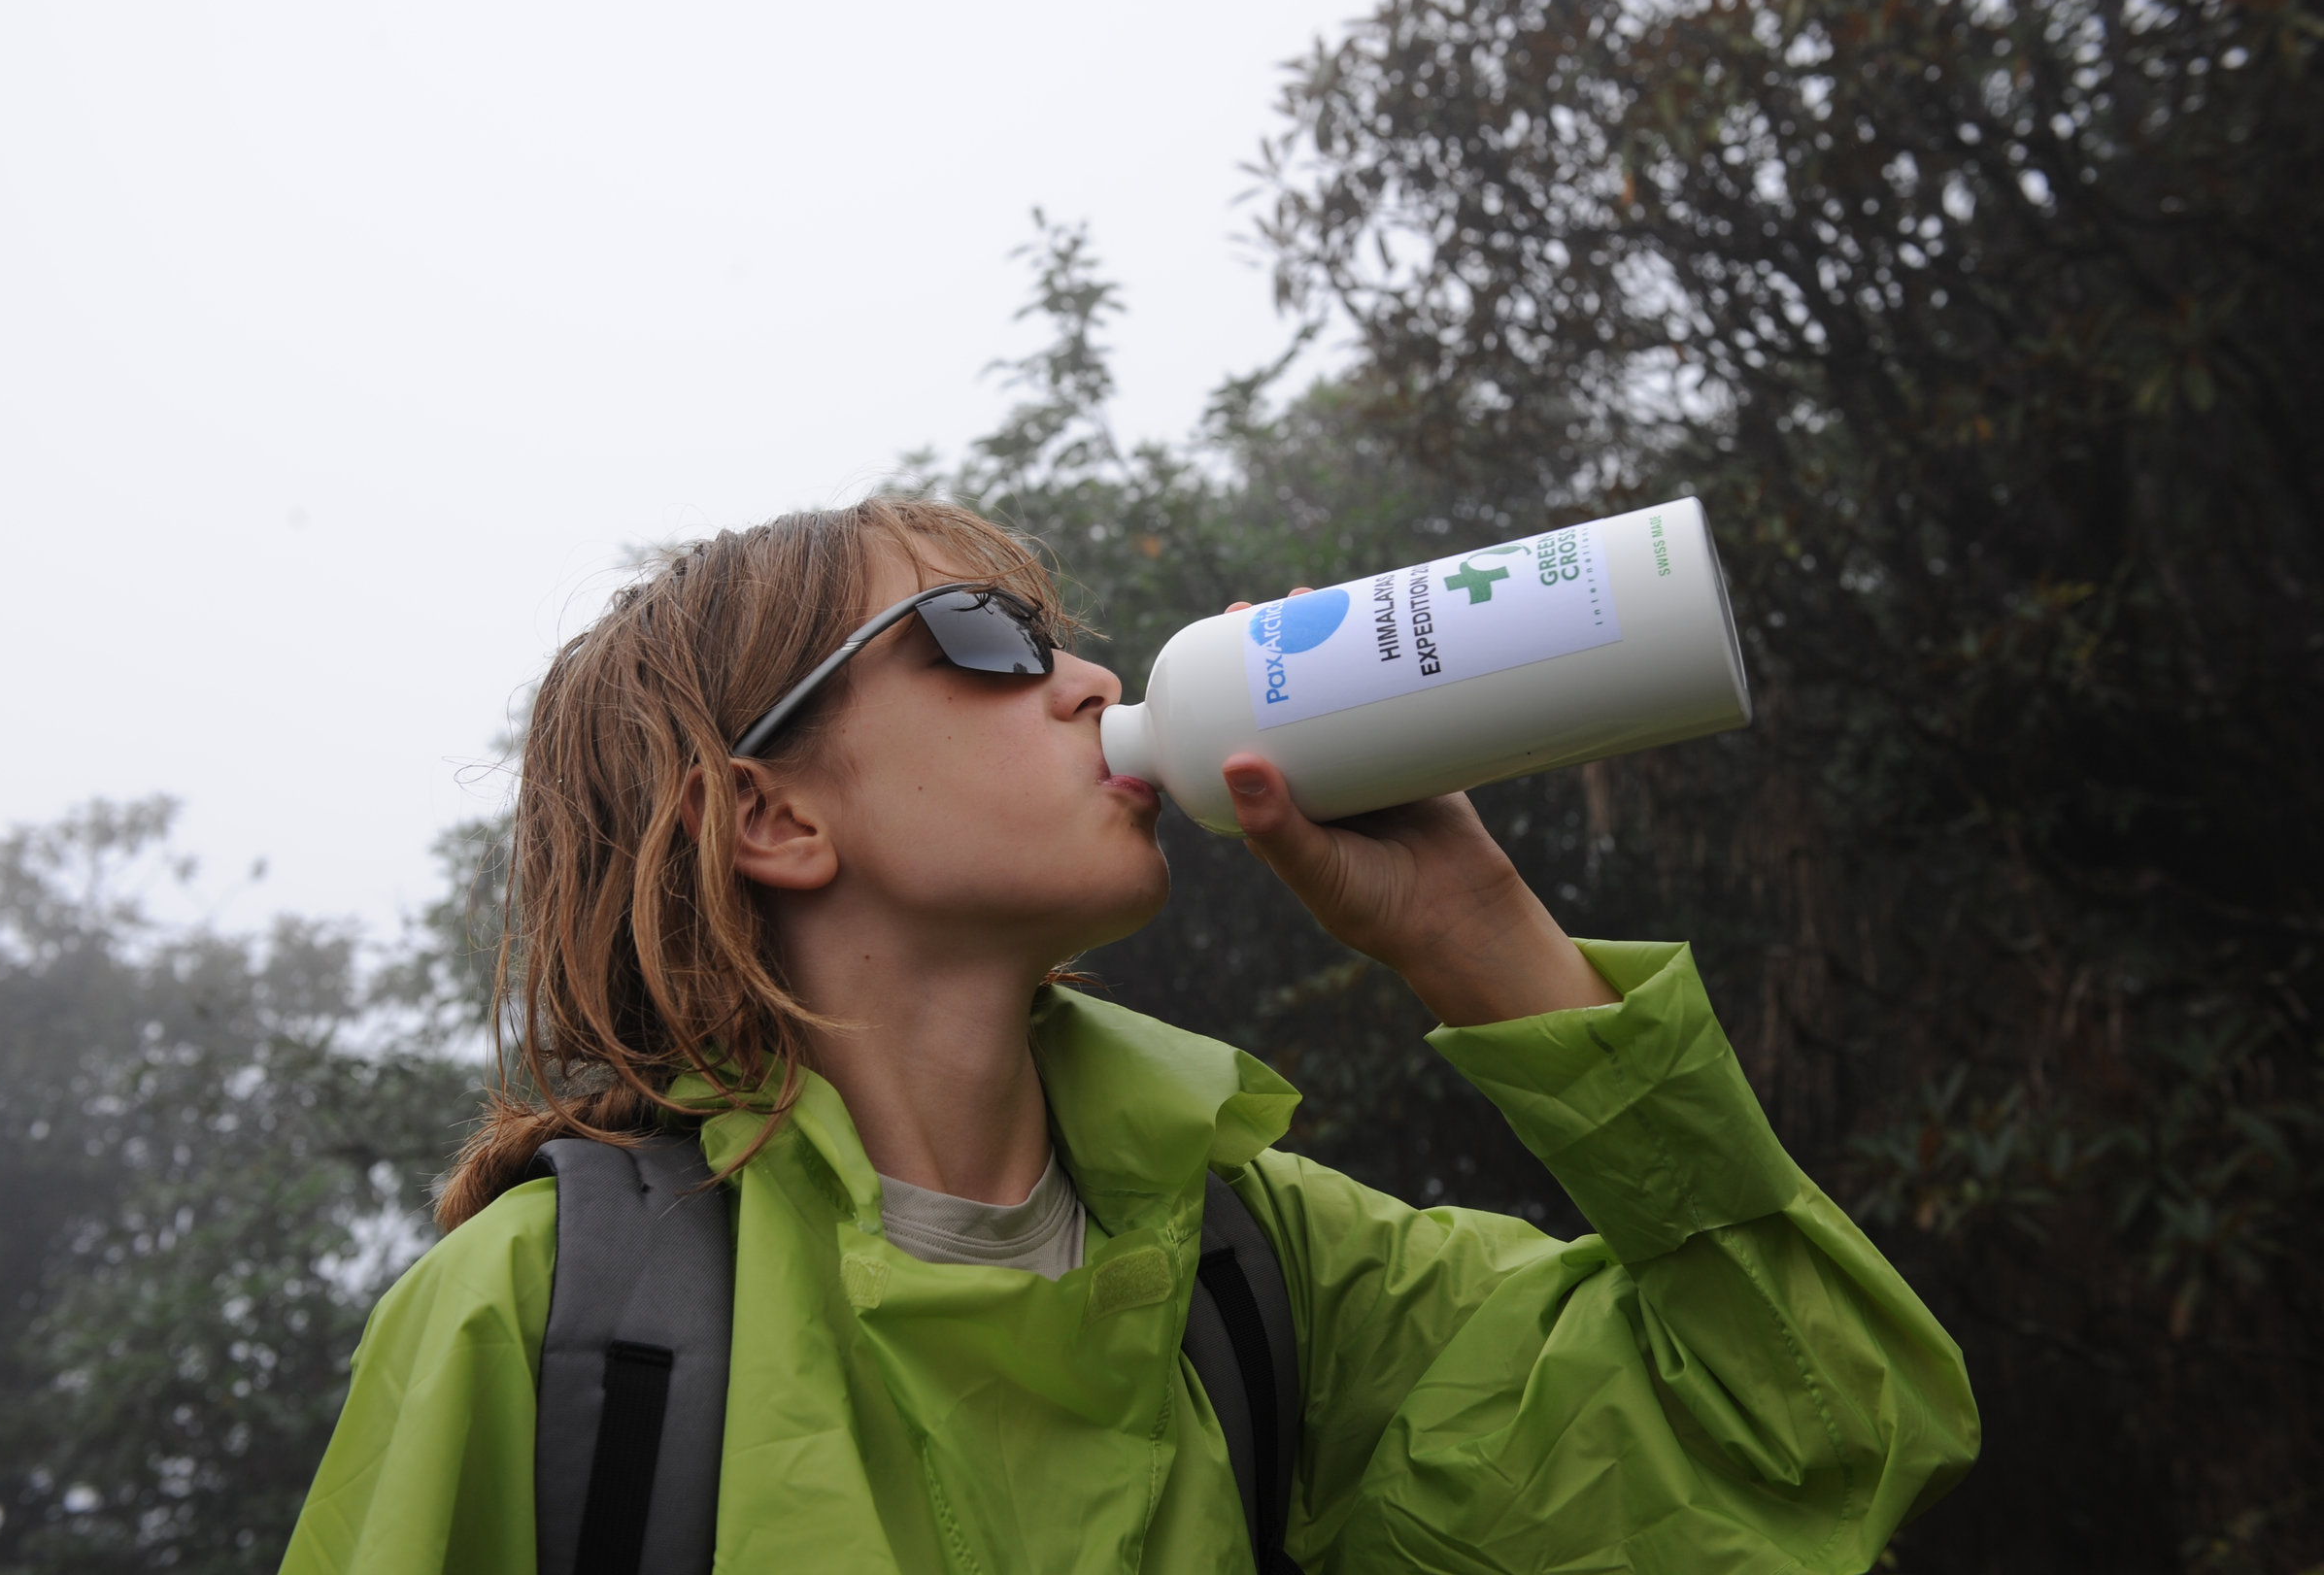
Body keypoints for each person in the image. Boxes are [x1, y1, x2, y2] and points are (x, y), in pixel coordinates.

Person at [280, 496, 1977, 1574]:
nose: (1088, 681)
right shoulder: (550, 1331)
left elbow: (1818, 1434)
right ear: (769, 816)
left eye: (1065, 638)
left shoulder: (1263, 1268)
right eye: (983, 639)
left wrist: (1480, 938)